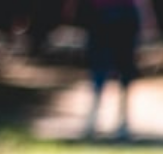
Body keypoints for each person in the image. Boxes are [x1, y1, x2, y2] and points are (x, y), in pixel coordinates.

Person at [64, 0, 157, 141]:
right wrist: (148, 19)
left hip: (103, 15)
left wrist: (71, 8)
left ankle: (94, 121)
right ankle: (121, 122)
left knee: (101, 68)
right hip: (121, 16)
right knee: (123, 68)